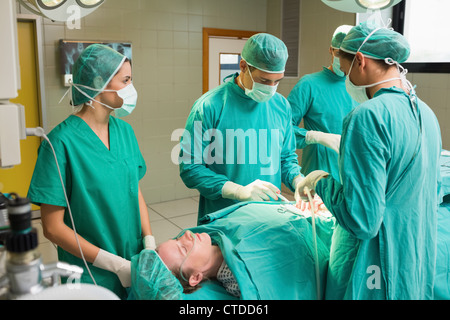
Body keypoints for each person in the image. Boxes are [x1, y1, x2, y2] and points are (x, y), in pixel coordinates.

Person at [295, 22, 442, 299]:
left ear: (359, 60)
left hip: (374, 265)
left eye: (344, 65)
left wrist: (321, 181)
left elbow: (363, 220)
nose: (345, 76)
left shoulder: (367, 116)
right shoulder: (427, 114)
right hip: (412, 258)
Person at [27, 44, 155, 299]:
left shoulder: (125, 132)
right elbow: (52, 227)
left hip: (134, 259)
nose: (131, 88)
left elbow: (134, 190)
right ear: (99, 82)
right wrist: (113, 264)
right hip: (89, 272)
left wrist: (149, 241)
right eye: (126, 80)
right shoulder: (60, 143)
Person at [179, 33, 303, 222]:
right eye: (264, 80)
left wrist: (299, 181)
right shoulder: (209, 106)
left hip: (269, 216)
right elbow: (190, 167)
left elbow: (285, 159)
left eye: (277, 81)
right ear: (243, 66)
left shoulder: (281, 106)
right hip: (226, 216)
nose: (271, 88)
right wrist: (237, 191)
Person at [156, 201, 333, 299]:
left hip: (311, 211)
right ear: (195, 278)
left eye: (177, 238)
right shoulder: (237, 282)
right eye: (182, 249)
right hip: (323, 239)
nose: (187, 234)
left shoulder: (220, 228)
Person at [288, 25, 358, 181]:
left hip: (352, 177)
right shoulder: (309, 85)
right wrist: (314, 136)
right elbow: (282, 129)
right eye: (339, 53)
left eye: (349, 55)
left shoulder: (361, 88)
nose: (343, 60)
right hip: (319, 177)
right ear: (330, 50)